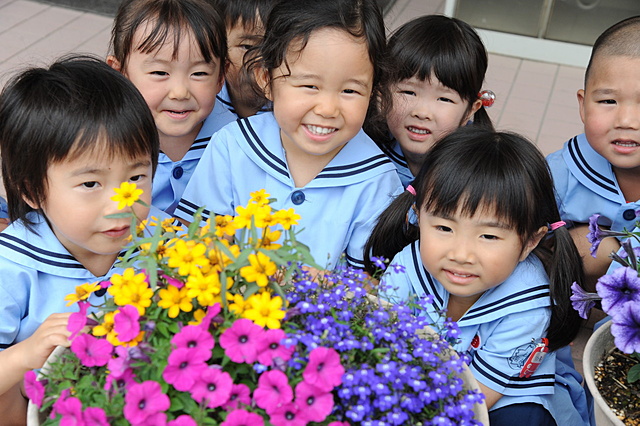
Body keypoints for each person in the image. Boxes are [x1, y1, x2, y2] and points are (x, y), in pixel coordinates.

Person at [365, 127, 591, 425]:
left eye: (488, 236)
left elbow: (479, 397)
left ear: (529, 242)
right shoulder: (406, 268)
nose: (462, 254)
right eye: (444, 228)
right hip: (423, 381)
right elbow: (385, 348)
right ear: (418, 216)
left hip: (502, 391)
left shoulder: (527, 306)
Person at [174, 0, 403, 270]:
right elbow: (195, 244)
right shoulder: (233, 146)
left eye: (350, 91)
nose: (328, 109)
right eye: (309, 85)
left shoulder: (377, 182)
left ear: (373, 89)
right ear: (265, 79)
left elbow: (365, 289)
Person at [0, 55, 160, 422]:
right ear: (33, 191)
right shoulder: (12, 265)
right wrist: (24, 355)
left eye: (137, 177)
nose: (121, 204)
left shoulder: (164, 240)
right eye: (91, 184)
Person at [107, 0, 235, 215]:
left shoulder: (236, 142)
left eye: (199, 74)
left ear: (221, 77)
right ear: (120, 74)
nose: (180, 92)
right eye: (159, 73)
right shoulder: (104, 139)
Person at [546, 16, 640, 291]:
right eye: (608, 101)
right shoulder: (560, 171)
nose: (626, 120)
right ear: (583, 105)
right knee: (596, 245)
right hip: (574, 298)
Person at [365, 15, 494, 187]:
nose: (422, 113)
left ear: (470, 110)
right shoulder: (364, 152)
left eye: (444, 98)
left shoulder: (480, 173)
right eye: (409, 92)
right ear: (381, 95)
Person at [209, 0, 277, 118]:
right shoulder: (204, 100)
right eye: (247, 47)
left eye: (274, 48)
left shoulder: (294, 111)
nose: (260, 61)